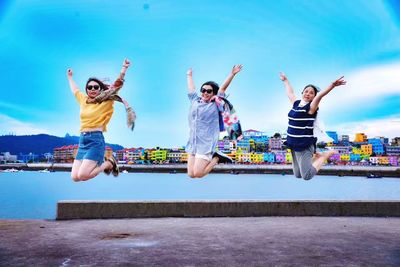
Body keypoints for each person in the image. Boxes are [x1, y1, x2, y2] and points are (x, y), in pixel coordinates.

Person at [66, 59, 131, 182]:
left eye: (96, 87)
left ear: (100, 89)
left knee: (83, 175)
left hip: (96, 140)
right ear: (87, 89)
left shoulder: (107, 100)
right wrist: (70, 77)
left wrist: (124, 68)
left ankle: (108, 164)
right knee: (75, 177)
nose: (92, 89)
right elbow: (75, 90)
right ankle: (106, 163)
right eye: (89, 87)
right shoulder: (84, 100)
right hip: (82, 140)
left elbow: (117, 84)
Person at [279, 72, 346, 180]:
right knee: (297, 175)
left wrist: (332, 85)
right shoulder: (296, 104)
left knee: (306, 176)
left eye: (311, 93)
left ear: (313, 97)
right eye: (306, 91)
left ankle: (324, 155)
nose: (308, 94)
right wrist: (285, 80)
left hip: (305, 145)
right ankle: (318, 156)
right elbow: (290, 93)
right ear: (302, 93)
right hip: (293, 144)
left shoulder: (311, 108)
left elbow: (320, 95)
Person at [186, 65, 242, 178]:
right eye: (203, 90)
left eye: (209, 91)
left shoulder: (216, 104)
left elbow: (222, 89)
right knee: (191, 174)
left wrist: (232, 74)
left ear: (213, 93)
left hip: (206, 143)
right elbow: (191, 89)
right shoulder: (195, 101)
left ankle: (216, 158)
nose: (205, 93)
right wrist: (189, 75)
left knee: (198, 173)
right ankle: (215, 157)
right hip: (193, 142)